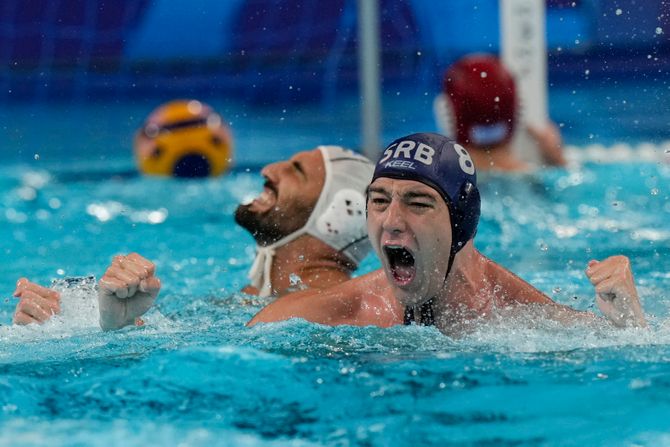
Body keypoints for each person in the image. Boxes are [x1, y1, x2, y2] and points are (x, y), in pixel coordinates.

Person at [71, 133, 645, 335]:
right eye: (378, 201)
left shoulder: (515, 309)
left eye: (418, 202)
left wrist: (628, 322)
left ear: (461, 227)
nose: (392, 221)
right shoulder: (331, 311)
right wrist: (114, 330)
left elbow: (629, 359)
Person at [12, 146, 375, 328]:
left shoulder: (327, 310)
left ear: (338, 215)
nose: (268, 169)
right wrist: (64, 321)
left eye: (295, 171)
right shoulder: (244, 302)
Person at [434, 54, 566, 172]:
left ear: (446, 112)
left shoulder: (437, 184)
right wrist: (560, 163)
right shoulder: (541, 176)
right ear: (517, 110)